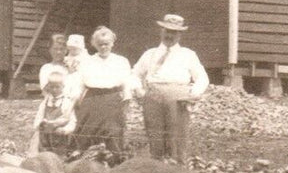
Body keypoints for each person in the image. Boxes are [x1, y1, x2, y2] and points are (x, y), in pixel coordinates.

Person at [132, 13, 209, 162]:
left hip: (178, 99)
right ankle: (156, 168)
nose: (170, 35)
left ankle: (177, 170)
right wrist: (138, 90)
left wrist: (193, 94)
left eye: (174, 32)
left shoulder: (188, 55)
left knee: (177, 138)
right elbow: (135, 74)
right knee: (154, 135)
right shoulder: (150, 54)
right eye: (167, 31)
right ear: (161, 31)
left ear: (180, 34)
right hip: (153, 97)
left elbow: (202, 78)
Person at [72, 26, 134, 156]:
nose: (104, 47)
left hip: (113, 99)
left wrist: (127, 98)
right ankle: (84, 159)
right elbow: (80, 83)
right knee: (86, 131)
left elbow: (126, 82)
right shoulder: (87, 62)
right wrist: (76, 100)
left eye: (106, 44)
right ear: (94, 44)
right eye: (100, 44)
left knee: (113, 131)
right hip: (92, 99)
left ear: (112, 43)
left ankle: (116, 159)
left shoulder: (121, 61)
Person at [28, 69, 77, 155]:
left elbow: (72, 121)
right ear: (48, 87)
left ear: (63, 86)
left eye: (57, 87)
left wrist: (65, 130)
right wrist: (40, 124)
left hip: (60, 138)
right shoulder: (46, 102)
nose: (54, 90)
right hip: (45, 138)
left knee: (58, 158)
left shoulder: (66, 102)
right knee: (43, 157)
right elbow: (39, 117)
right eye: (52, 87)